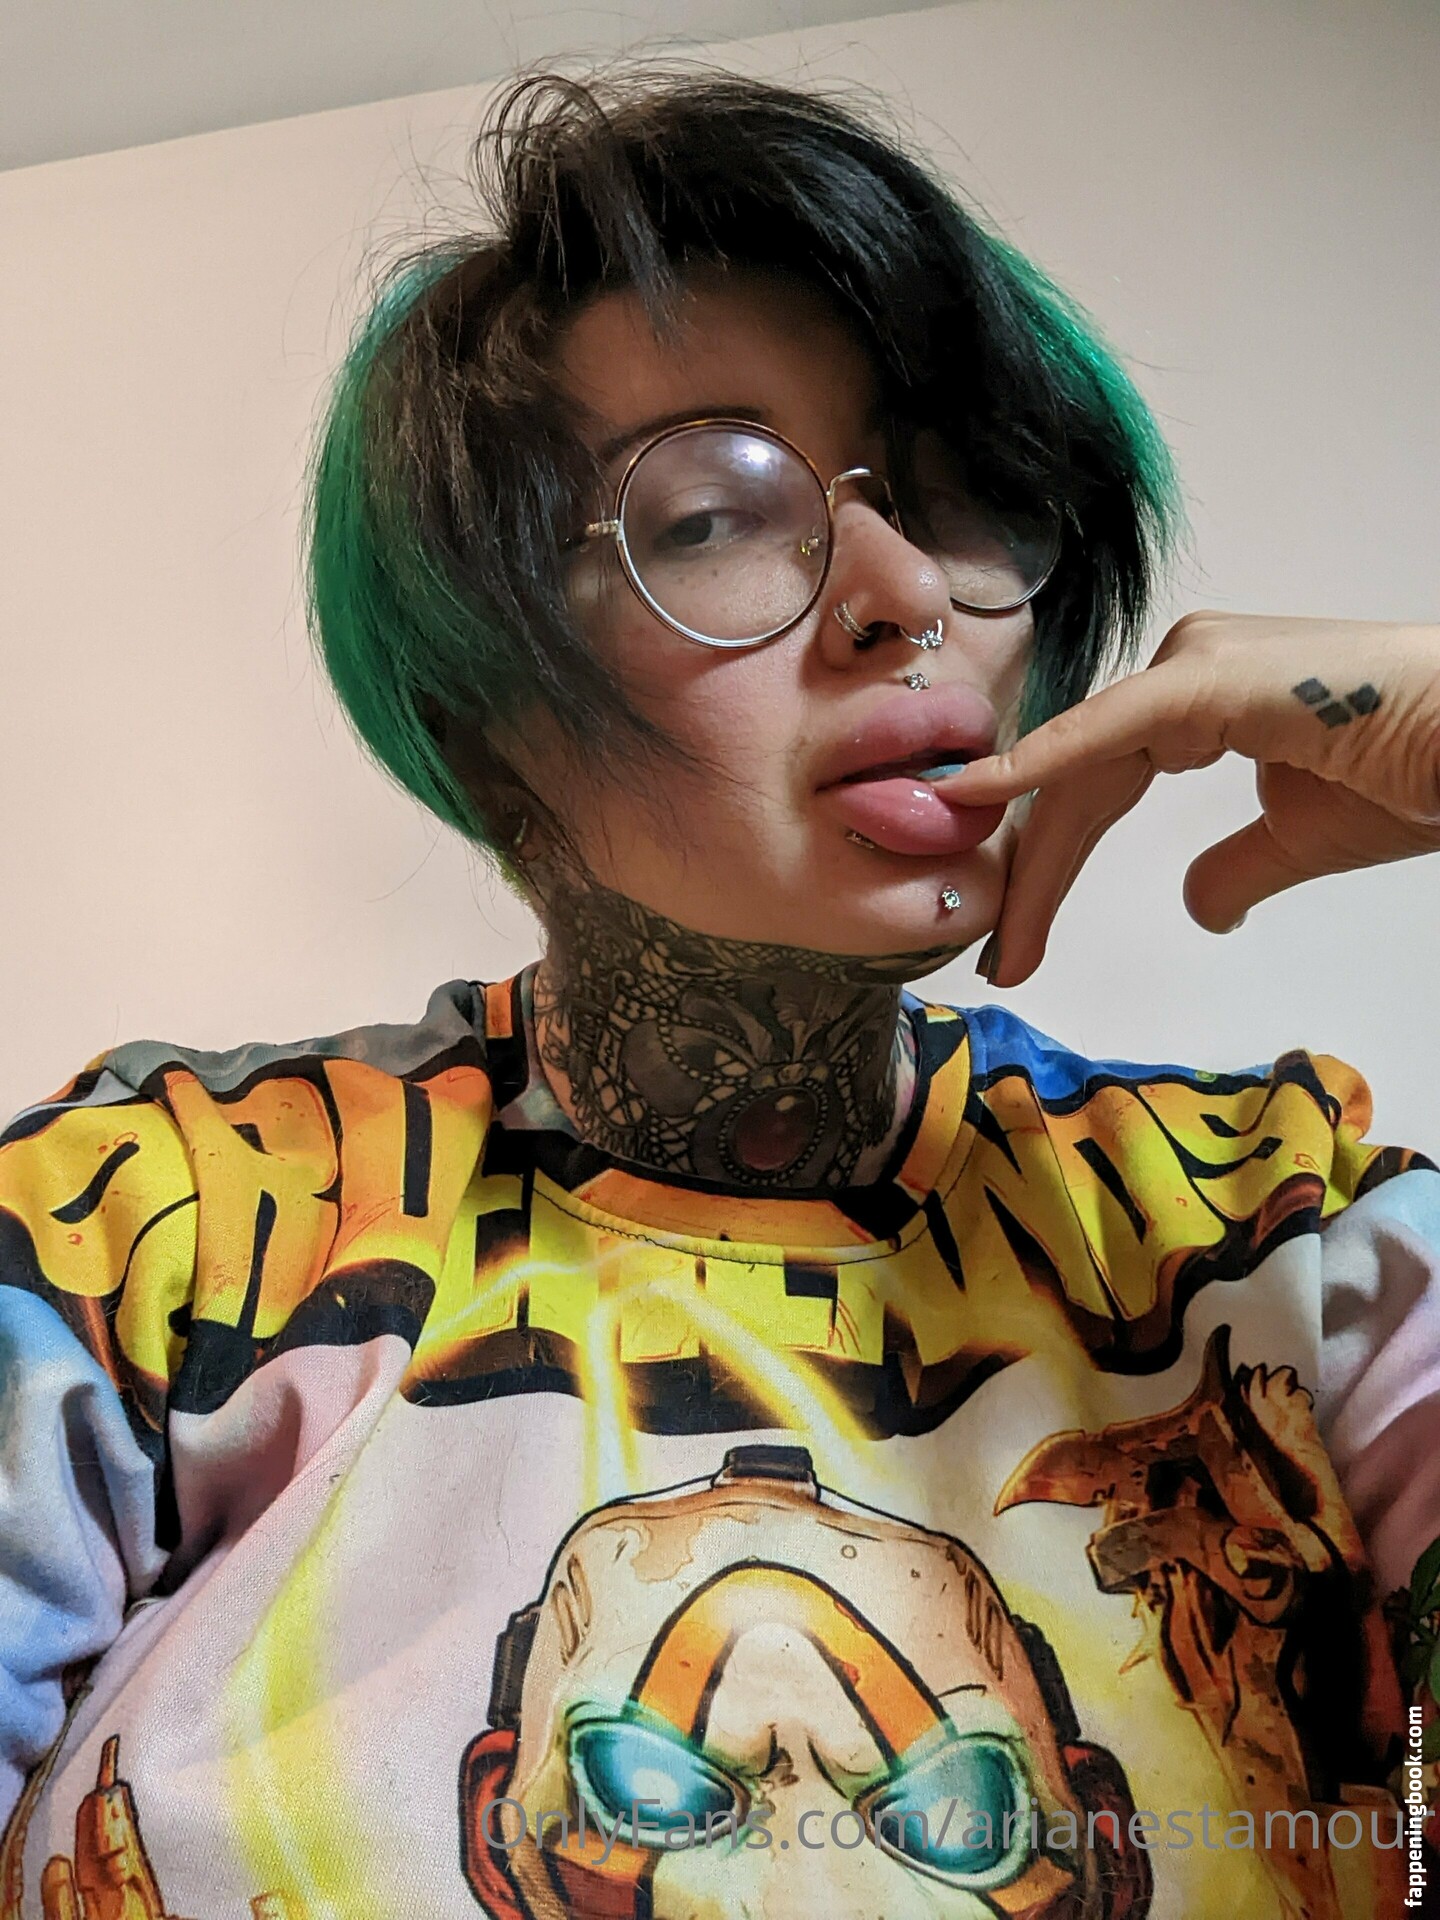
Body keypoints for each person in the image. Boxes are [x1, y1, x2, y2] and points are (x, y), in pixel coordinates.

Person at [1, 66, 1437, 1920]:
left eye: (964, 493)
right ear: (484, 713)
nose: (906, 592)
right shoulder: (156, 1229)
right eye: (710, 516)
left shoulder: (1287, 1248)